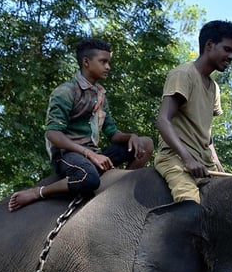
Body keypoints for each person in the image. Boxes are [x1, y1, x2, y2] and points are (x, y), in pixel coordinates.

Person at [9, 38, 154, 211]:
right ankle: (39, 192)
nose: (108, 67)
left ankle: (117, 191)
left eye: (109, 62)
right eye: (103, 62)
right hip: (67, 155)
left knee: (145, 144)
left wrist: (132, 137)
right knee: (88, 178)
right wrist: (89, 155)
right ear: (86, 62)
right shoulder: (66, 91)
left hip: (93, 154)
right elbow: (53, 134)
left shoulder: (100, 94)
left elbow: (112, 133)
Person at [154, 20, 232, 203]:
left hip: (204, 163)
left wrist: (216, 162)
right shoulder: (183, 75)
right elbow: (163, 120)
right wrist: (187, 158)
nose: (231, 56)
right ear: (209, 45)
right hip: (175, 159)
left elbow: (206, 132)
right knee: (190, 207)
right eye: (227, 49)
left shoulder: (215, 88)